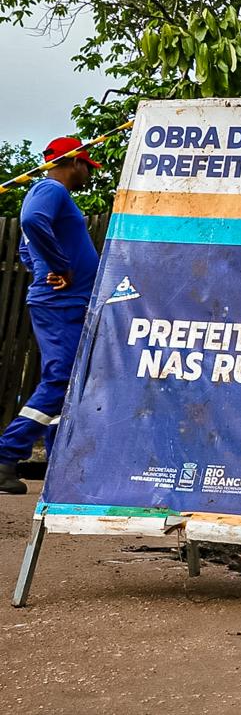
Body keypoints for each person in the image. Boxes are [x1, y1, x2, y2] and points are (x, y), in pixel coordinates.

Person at [0, 138, 101, 495]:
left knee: (68, 380)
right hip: (61, 304)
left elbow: (26, 249)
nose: (89, 173)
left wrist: (45, 267)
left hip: (65, 303)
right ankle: (6, 455)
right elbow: (30, 221)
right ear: (73, 162)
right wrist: (60, 267)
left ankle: (62, 468)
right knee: (61, 379)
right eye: (88, 166)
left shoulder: (48, 195)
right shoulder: (50, 189)